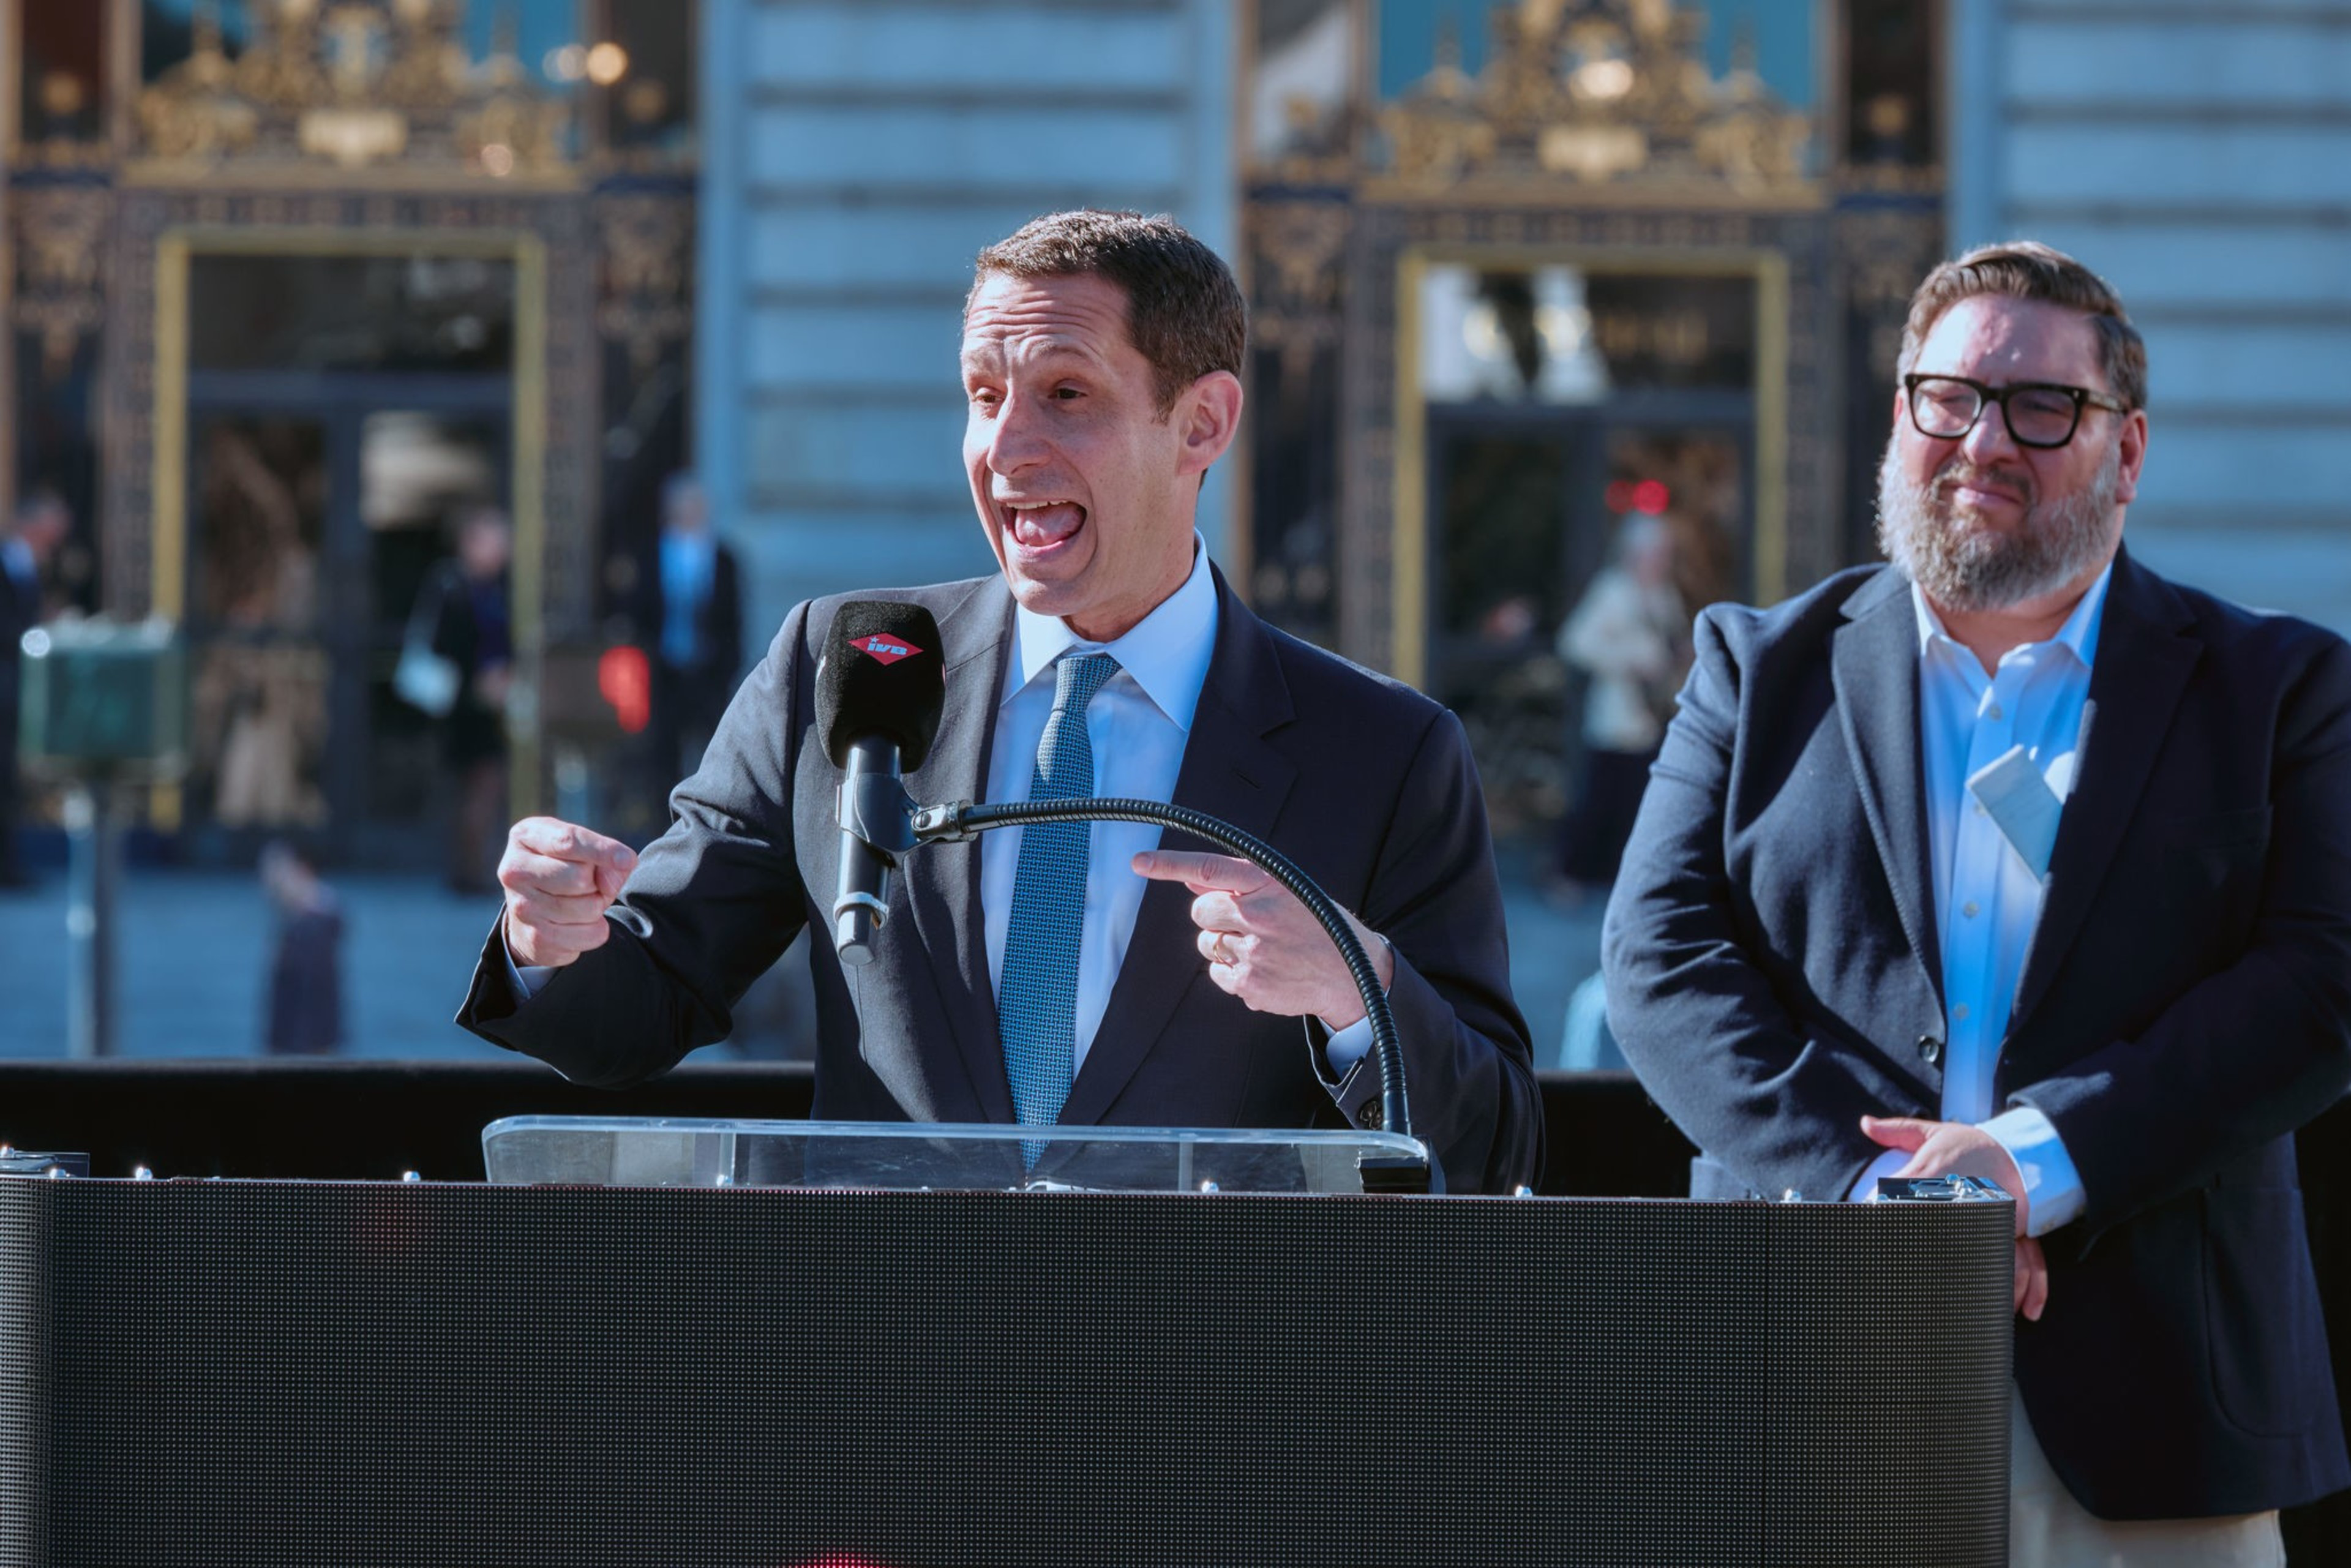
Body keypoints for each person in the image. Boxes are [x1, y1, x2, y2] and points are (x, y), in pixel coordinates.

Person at [458, 210, 1541, 1193]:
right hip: (893, 1339)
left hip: (1203, 1346)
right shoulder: (841, 666)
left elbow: (1497, 1148)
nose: (1005, 447)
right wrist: (551, 934)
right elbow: (642, 1001)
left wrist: (1358, 989)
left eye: (1067, 394)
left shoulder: (1386, 752)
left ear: (1202, 424)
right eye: (983, 395)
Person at [1603, 241, 2350, 1564]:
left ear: (2127, 450)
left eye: (2042, 406)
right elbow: (1656, 960)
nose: (1984, 440)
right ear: (1901, 415)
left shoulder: (2279, 690)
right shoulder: (1756, 669)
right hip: (1801, 1373)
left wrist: (2033, 1163)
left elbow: (2322, 980)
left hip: (2158, 1409)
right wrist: (1883, 1198)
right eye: (1948, 397)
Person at [1551, 513, 1688, 902]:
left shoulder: (1664, 595)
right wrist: (1628, 660)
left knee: (1638, 804)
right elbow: (1575, 643)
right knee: (1599, 801)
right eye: (1656, 554)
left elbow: (1671, 641)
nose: (1661, 562)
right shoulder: (1613, 590)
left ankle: (1620, 880)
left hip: (1654, 715)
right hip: (1616, 719)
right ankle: (1568, 875)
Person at [425, 505, 513, 895]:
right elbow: (445, 644)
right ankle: (468, 870)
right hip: (463, 706)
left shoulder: (499, 589)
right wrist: (478, 681)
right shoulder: (453, 586)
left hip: (494, 705)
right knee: (473, 788)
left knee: (487, 787)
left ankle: (474, 867)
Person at [639, 471, 743, 793]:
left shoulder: (724, 558)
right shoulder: (650, 555)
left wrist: (727, 667)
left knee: (714, 751)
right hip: (664, 674)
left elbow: (734, 619)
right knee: (663, 757)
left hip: (709, 673)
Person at [0, 490, 69, 890]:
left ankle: (10, 866)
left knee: (10, 781)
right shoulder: (10, 563)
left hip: (16, 692)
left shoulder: (35, 567)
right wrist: (37, 631)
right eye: (54, 525)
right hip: (5, 688)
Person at [259, 838, 342, 1055]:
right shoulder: (326, 900)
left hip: (312, 983)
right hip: (299, 982)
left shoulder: (321, 900)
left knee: (315, 1037)